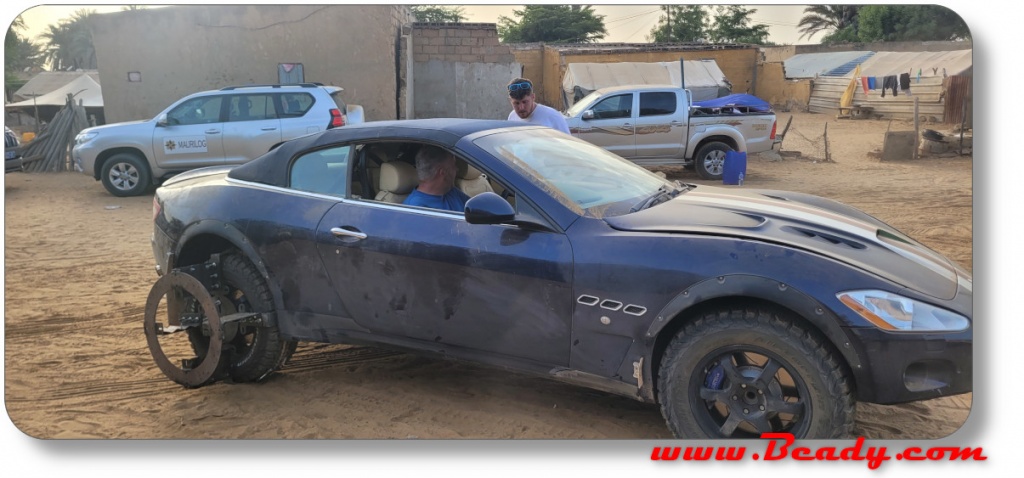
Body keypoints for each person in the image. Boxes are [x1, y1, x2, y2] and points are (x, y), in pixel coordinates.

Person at [403, 145, 471, 212]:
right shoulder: (415, 210)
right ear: (443, 172)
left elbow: (476, 208)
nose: (457, 169)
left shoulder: (452, 192)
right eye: (453, 166)